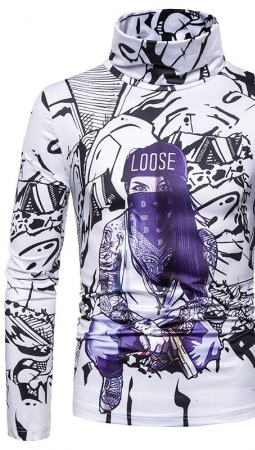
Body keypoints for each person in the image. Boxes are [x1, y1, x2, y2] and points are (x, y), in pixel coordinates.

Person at [84, 141, 222, 413]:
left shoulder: (200, 235)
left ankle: (179, 374)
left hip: (179, 325)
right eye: (139, 188)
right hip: (130, 324)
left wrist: (172, 330)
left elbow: (201, 298)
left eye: (163, 187)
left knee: (209, 342)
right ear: (127, 189)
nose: (150, 197)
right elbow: (108, 295)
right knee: (98, 336)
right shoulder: (116, 231)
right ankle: (113, 377)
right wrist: (143, 329)